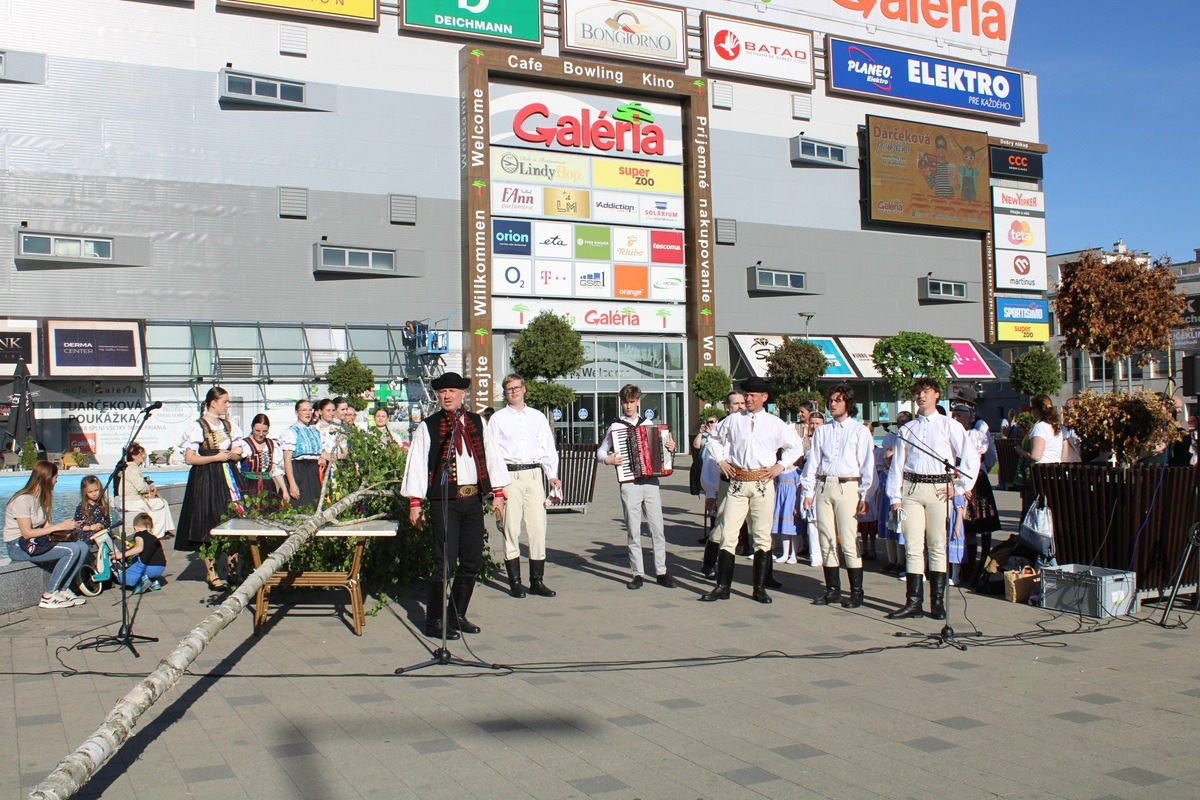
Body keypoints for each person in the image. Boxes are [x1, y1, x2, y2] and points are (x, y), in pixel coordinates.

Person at [401, 372, 509, 639]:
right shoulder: (429, 426)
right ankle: (434, 621)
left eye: (452, 391)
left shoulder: (477, 422)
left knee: (472, 560)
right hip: (444, 502)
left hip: (472, 501)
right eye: (442, 392)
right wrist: (415, 503)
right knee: (445, 563)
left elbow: (491, 456)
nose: (447, 396)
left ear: (463, 394)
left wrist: (497, 493)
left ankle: (457, 615)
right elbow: (416, 464)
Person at [701, 377, 804, 604]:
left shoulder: (775, 423)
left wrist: (781, 466)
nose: (748, 399)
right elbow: (713, 440)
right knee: (728, 534)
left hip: (762, 483)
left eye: (752, 396)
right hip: (737, 482)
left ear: (764, 398)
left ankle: (759, 588)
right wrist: (721, 460)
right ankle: (722, 587)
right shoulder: (732, 420)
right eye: (746, 395)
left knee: (761, 536)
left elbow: (796, 446)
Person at [885, 379, 979, 620]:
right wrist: (895, 498)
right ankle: (913, 602)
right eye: (917, 392)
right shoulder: (907, 429)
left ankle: (937, 602)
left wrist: (959, 488)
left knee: (937, 544)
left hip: (939, 487)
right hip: (912, 489)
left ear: (937, 395)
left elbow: (969, 459)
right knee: (913, 545)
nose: (921, 396)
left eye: (925, 392)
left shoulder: (950, 426)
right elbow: (898, 465)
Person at [800, 384, 875, 609]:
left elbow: (867, 465)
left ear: (848, 404)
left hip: (848, 486)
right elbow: (813, 462)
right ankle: (832, 590)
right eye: (831, 400)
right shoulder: (823, 431)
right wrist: (808, 491)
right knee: (826, 538)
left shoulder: (859, 430)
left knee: (849, 539)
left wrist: (866, 495)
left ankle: (856, 591)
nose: (833, 404)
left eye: (838, 400)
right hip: (824, 485)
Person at [598, 384, 677, 590]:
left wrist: (670, 447)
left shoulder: (649, 423)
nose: (628, 406)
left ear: (638, 401)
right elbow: (600, 451)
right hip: (630, 482)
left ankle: (661, 571)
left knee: (657, 528)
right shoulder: (615, 427)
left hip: (651, 482)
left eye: (632, 402)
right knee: (633, 530)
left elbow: (663, 455)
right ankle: (637, 573)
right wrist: (608, 460)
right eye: (625, 402)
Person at [489, 374, 561, 598]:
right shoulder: (498, 419)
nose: (514, 391)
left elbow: (548, 448)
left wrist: (552, 475)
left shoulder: (537, 417)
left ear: (524, 389)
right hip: (510, 475)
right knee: (511, 528)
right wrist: (497, 488)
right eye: (509, 388)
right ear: (505, 392)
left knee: (538, 527)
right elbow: (492, 454)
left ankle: (537, 581)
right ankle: (515, 582)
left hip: (533, 474)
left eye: (517, 387)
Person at [175, 386, 247, 591]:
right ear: (213, 403)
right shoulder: (199, 426)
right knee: (208, 522)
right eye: (224, 401)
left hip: (229, 477)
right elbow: (190, 458)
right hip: (207, 477)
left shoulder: (229, 426)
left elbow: (239, 452)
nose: (227, 405)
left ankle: (233, 571)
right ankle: (212, 573)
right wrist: (216, 457)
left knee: (233, 519)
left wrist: (235, 455)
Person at [4, 461, 90, 609]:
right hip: (18, 545)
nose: (57, 481)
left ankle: (63, 590)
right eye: (55, 477)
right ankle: (49, 595)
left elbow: (47, 527)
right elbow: (26, 533)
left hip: (35, 541)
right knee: (71, 550)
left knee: (82, 546)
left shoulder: (43, 498)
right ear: (46, 478)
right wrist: (58, 527)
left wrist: (69, 526)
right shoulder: (22, 500)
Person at [949, 404, 1001, 587]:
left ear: (969, 418)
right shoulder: (951, 433)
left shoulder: (974, 434)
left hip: (975, 481)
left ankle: (970, 569)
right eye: (953, 415)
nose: (955, 419)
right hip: (957, 482)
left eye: (959, 416)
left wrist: (968, 482)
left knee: (972, 525)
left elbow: (986, 458)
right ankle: (959, 567)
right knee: (958, 525)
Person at [699, 391, 745, 575]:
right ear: (727, 407)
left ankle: (766, 575)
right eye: (736, 404)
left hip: (751, 481)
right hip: (727, 482)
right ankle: (709, 563)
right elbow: (711, 461)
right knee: (722, 525)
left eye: (743, 402)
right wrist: (711, 492)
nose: (741, 406)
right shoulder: (721, 428)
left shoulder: (751, 424)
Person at [1014, 393, 1063, 513]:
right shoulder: (1055, 426)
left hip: (1039, 474)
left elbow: (1036, 456)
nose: (1031, 411)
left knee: (1033, 509)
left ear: (1037, 409)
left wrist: (1020, 451)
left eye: (1032, 408)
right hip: (1054, 471)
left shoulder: (1040, 428)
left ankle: (1030, 531)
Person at [878, 411, 912, 577]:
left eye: (904, 422)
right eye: (898, 422)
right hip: (889, 495)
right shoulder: (891, 438)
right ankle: (892, 560)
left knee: (900, 531)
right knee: (888, 530)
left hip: (904, 490)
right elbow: (886, 457)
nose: (900, 425)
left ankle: (901, 561)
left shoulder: (912, 436)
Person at [121, 442, 176, 539]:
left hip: (131, 499)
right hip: (132, 500)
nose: (144, 456)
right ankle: (158, 534)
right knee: (160, 504)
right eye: (141, 454)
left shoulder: (131, 467)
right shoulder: (132, 468)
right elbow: (141, 487)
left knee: (163, 502)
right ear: (134, 456)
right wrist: (149, 487)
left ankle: (165, 529)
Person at [279, 399, 323, 509]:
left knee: (315, 506)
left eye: (309, 410)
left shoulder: (315, 431)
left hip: (313, 473)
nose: (308, 413)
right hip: (298, 472)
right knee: (299, 506)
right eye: (304, 410)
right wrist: (292, 484)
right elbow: (287, 460)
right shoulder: (291, 432)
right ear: (296, 413)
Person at [239, 414, 287, 505]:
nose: (261, 434)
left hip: (268, 486)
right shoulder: (243, 444)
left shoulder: (272, 444)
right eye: (257, 430)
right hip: (247, 486)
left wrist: (284, 490)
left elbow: (277, 471)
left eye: (264, 431)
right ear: (252, 427)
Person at [120, 512, 167, 593]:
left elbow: (139, 548)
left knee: (121, 577)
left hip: (148, 567)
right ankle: (154, 582)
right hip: (161, 568)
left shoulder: (138, 534)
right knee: (137, 559)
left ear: (135, 528)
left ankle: (142, 580)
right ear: (151, 528)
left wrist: (122, 555)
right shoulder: (154, 538)